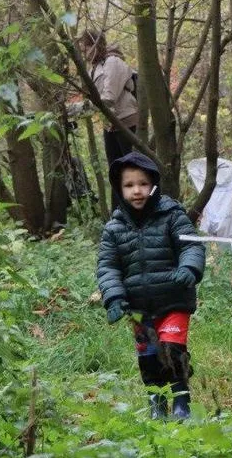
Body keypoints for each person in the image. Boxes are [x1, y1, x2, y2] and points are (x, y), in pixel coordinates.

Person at [96, 151, 205, 420]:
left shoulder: (171, 214)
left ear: (153, 184)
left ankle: (181, 402)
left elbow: (190, 244)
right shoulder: (114, 228)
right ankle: (156, 401)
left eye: (143, 183)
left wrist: (189, 267)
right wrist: (113, 297)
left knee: (172, 349)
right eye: (129, 185)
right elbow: (108, 266)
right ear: (120, 189)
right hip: (138, 307)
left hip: (173, 299)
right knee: (149, 355)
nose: (137, 191)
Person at [78, 29, 139, 208]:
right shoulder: (95, 68)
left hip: (126, 122)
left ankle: (136, 213)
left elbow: (108, 97)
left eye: (86, 48)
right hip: (110, 125)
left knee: (131, 172)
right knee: (116, 172)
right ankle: (118, 216)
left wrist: (82, 107)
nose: (85, 53)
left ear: (96, 45)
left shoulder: (113, 62)